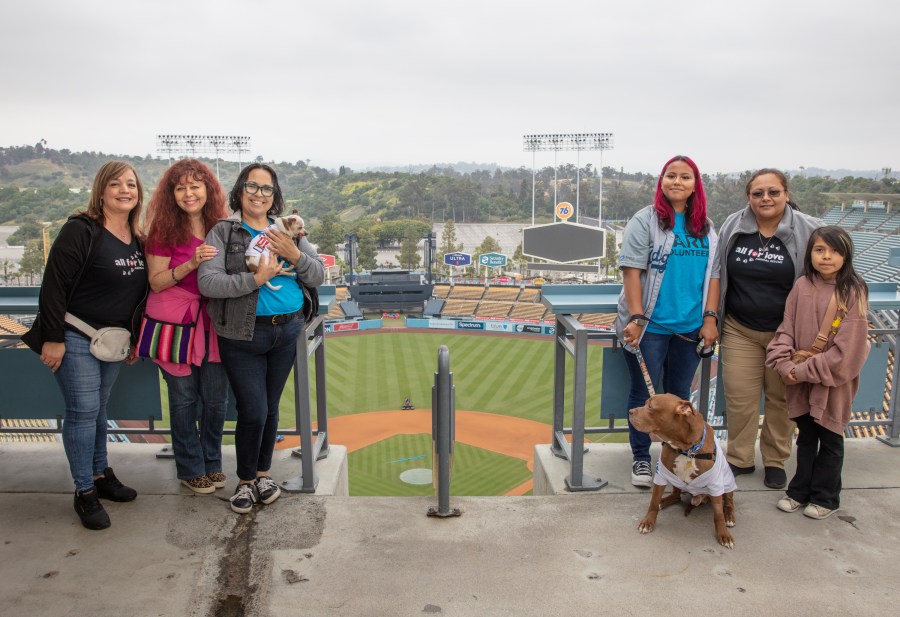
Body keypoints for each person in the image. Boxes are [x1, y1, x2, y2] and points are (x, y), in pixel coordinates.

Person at [22, 161, 147, 530]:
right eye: (115, 184)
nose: (125, 190)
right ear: (101, 190)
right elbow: (53, 286)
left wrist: (134, 339)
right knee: (82, 410)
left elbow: (136, 295)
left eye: (131, 184)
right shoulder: (81, 230)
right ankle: (84, 491)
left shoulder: (138, 238)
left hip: (113, 340)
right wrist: (53, 339)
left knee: (98, 409)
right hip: (75, 335)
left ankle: (99, 474)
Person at [198, 163, 324, 514]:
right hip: (242, 333)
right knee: (252, 409)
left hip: (287, 330)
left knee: (269, 408)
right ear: (240, 191)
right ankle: (245, 480)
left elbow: (318, 273)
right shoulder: (224, 232)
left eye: (266, 189)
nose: (259, 194)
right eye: (252, 186)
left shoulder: (290, 232)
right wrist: (255, 279)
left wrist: (296, 254)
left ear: (274, 196)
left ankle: (264, 474)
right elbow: (208, 284)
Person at [615, 155, 721, 488]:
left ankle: (673, 459)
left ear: (695, 185)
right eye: (670, 176)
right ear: (661, 181)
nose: (677, 182)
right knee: (642, 395)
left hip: (689, 329)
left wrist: (709, 319)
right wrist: (635, 316)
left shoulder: (704, 226)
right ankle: (641, 458)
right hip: (650, 327)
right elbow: (632, 270)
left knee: (678, 399)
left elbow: (714, 277)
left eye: (685, 177)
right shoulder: (645, 220)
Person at [717, 169, 823, 489]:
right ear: (748, 197)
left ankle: (776, 460)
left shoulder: (812, 229)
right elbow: (718, 273)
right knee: (740, 397)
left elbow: (834, 273)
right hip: (740, 328)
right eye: (758, 193)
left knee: (782, 399)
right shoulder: (733, 225)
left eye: (773, 192)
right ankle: (739, 458)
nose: (766, 198)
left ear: (786, 194)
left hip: (789, 333)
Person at [765, 226, 869, 519]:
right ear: (809, 253)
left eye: (835, 251)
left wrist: (801, 370)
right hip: (799, 376)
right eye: (820, 250)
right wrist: (784, 364)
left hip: (832, 381)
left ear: (846, 255)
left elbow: (847, 352)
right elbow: (785, 330)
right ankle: (799, 490)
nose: (827, 257)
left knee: (832, 436)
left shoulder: (853, 290)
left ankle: (826, 497)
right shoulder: (802, 286)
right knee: (807, 435)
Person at [143, 159, 229, 494]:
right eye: (180, 188)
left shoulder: (221, 225)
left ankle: (212, 463)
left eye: (195, 186)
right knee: (183, 399)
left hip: (214, 321)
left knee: (215, 399)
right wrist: (192, 263)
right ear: (171, 194)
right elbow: (156, 282)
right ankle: (190, 467)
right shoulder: (163, 231)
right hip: (175, 322)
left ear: (208, 188)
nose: (188, 194)